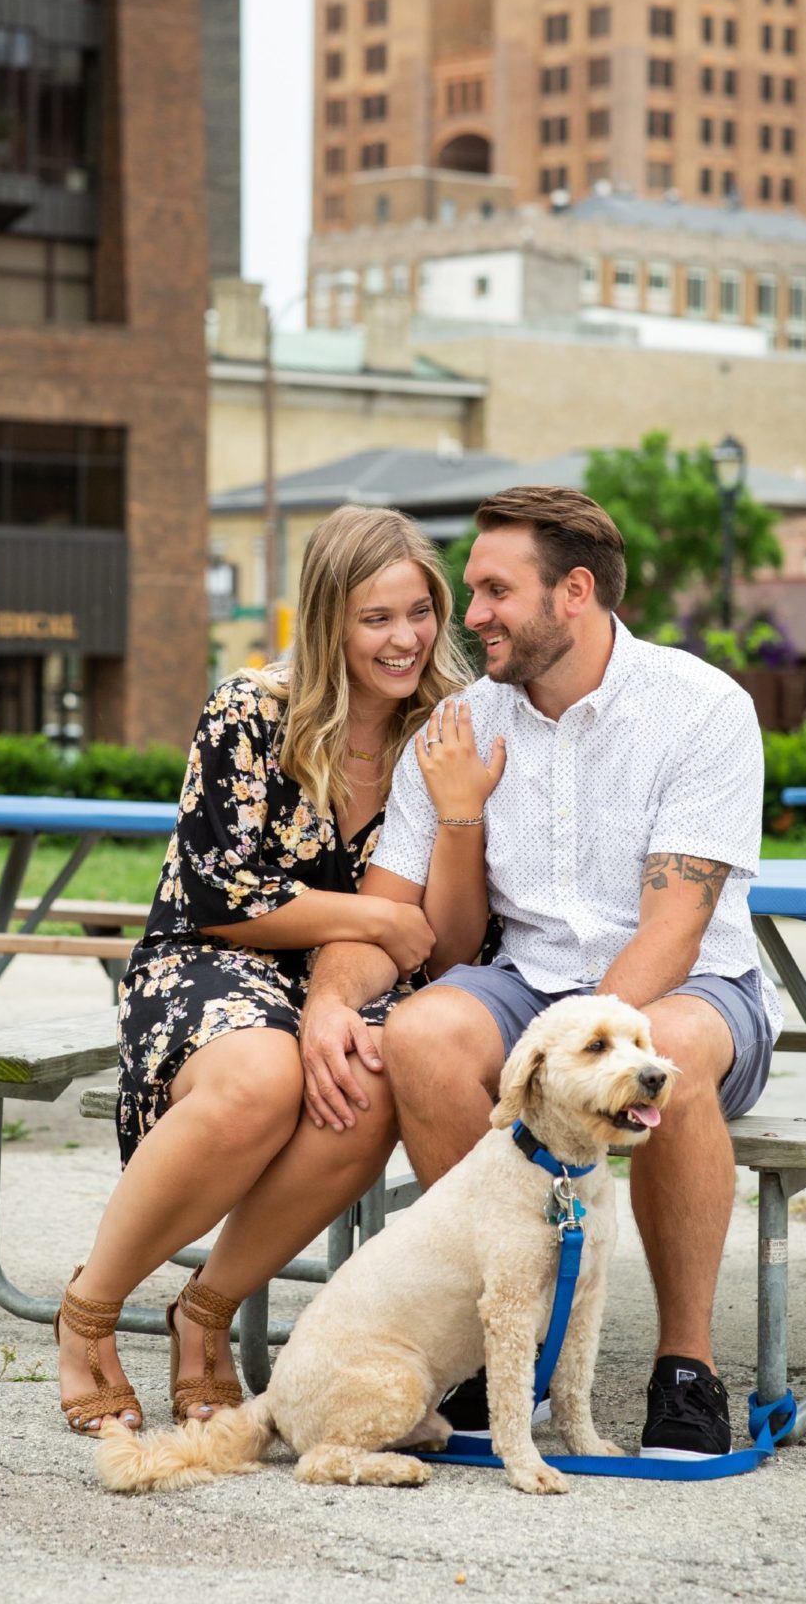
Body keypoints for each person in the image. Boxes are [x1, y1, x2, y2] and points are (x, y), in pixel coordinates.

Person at [298, 484, 782, 1462]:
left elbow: (674, 931)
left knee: (669, 1053)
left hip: (690, 993)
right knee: (426, 1033)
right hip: (524, 983)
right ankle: (496, 1336)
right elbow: (400, 920)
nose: (464, 616)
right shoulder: (459, 729)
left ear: (572, 592)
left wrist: (579, 1043)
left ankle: (684, 1367)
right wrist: (327, 1001)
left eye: (489, 591)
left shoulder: (699, 711)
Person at [54, 504, 494, 1433]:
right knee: (259, 1072)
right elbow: (223, 897)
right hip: (209, 960)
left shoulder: (452, 727)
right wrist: (379, 911)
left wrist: (457, 819)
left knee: (369, 1080)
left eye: (419, 611)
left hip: (357, 985)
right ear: (329, 618)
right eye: (376, 618)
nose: (405, 638)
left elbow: (447, 943)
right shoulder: (251, 708)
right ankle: (88, 1313)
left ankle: (204, 1314)